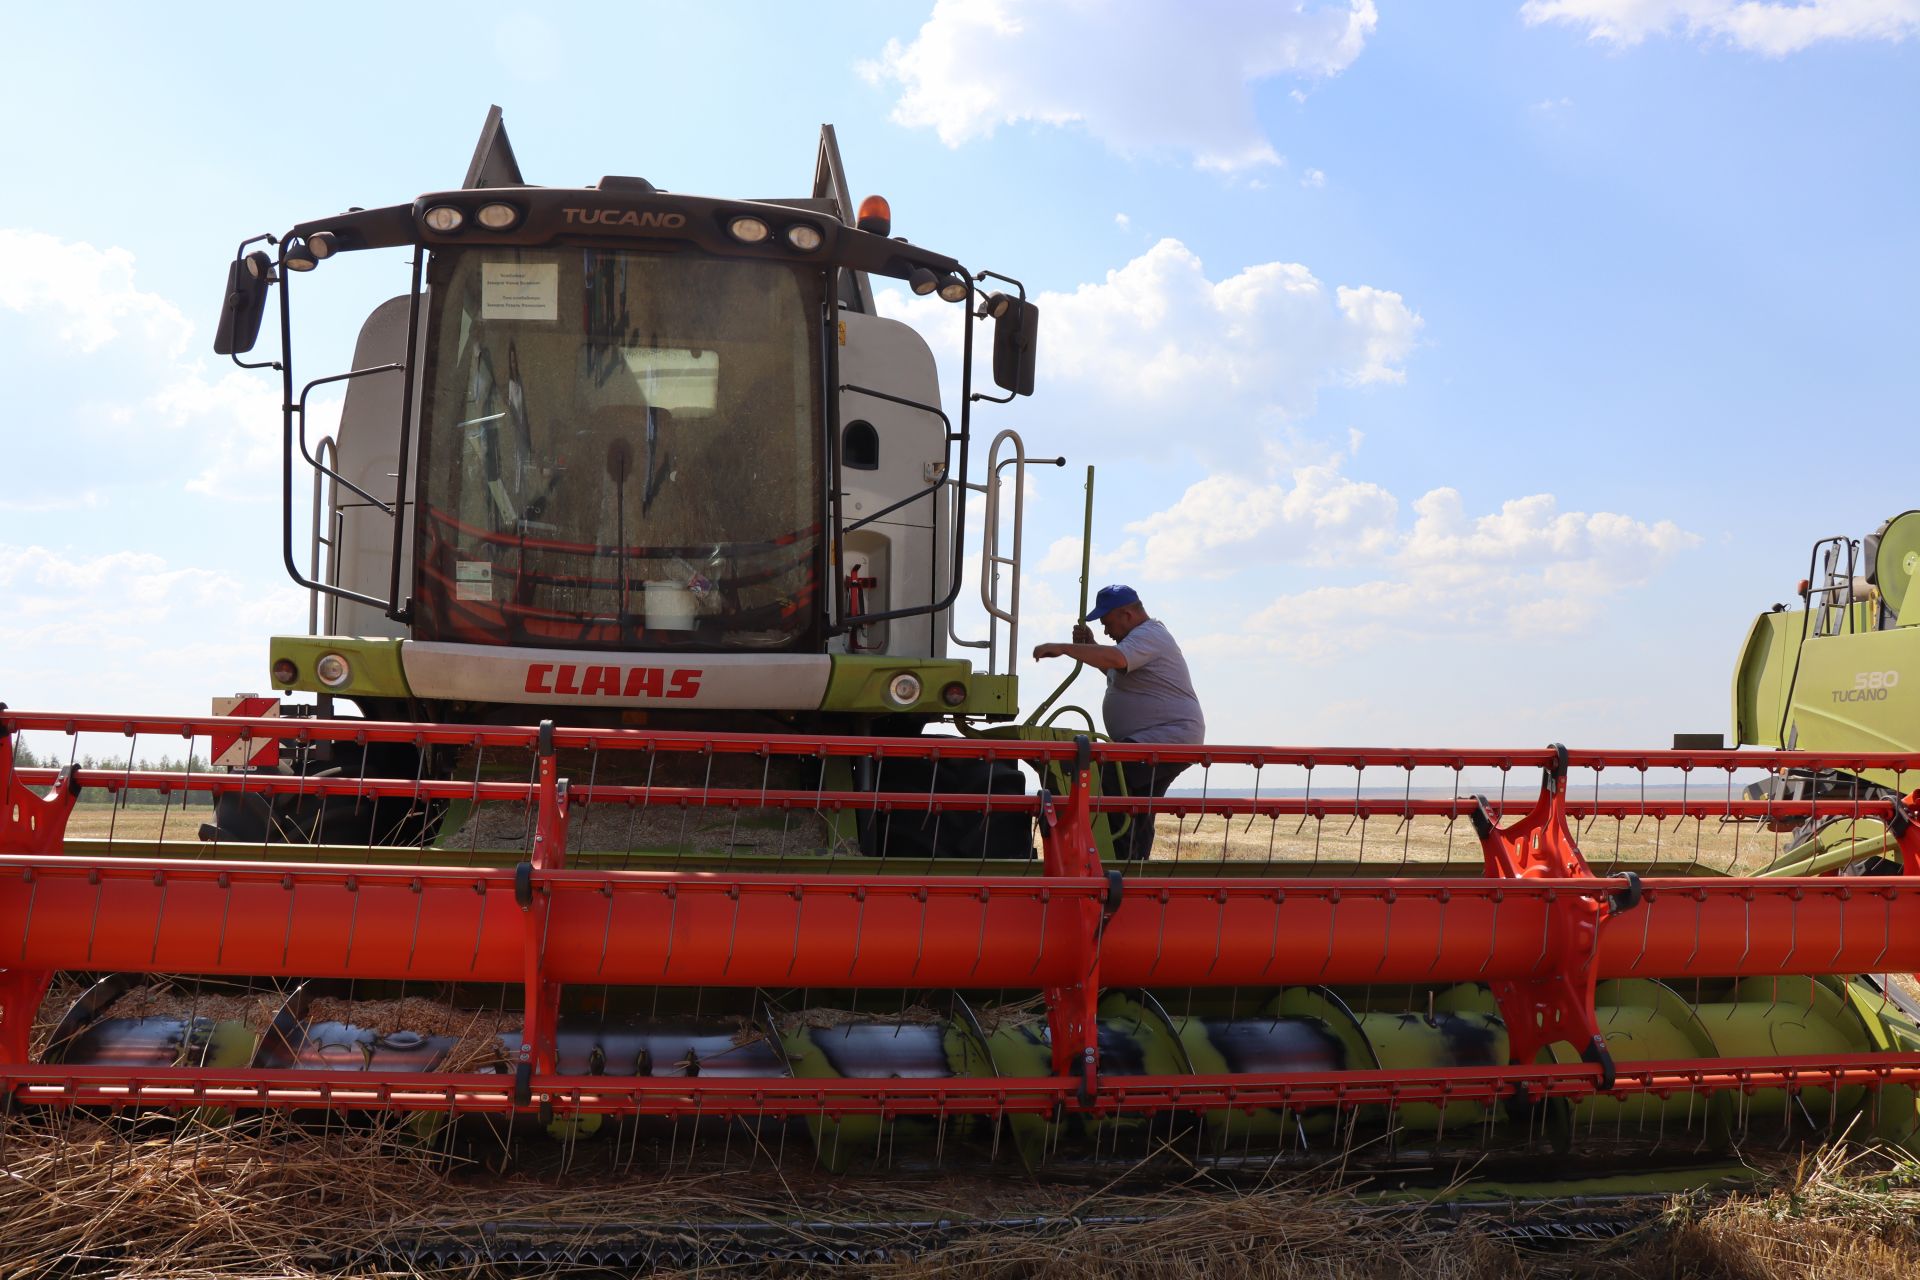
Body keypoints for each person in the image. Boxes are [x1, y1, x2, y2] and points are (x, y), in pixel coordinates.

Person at [1032, 585, 1205, 858]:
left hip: (1167, 737)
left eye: (1107, 623)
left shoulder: (1149, 635)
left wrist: (1066, 648)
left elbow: (1114, 658)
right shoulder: (1137, 645)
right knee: (1138, 802)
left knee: (1111, 775)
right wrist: (1089, 648)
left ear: (1126, 614)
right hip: (1161, 738)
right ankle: (1133, 865)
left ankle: (1117, 858)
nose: (1105, 631)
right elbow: (1112, 665)